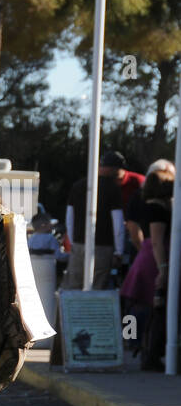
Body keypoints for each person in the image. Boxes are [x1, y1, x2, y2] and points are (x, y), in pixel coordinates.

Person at [63, 150, 144, 290]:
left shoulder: (78, 185)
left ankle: (73, 311)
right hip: (103, 246)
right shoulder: (113, 188)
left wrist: (73, 240)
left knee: (74, 285)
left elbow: (69, 217)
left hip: (79, 244)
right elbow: (118, 221)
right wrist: (118, 251)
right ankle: (92, 312)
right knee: (97, 286)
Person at [140, 169, 175, 372]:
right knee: (157, 309)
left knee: (155, 309)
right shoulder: (157, 209)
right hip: (156, 261)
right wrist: (163, 269)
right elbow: (156, 241)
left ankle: (149, 352)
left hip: (155, 259)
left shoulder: (158, 206)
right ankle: (150, 354)